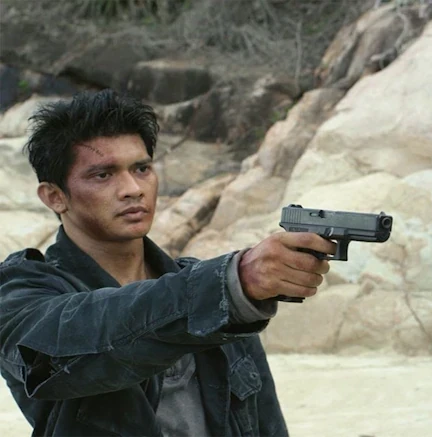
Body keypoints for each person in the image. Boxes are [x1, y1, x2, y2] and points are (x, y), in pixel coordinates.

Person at [0, 89, 337, 436]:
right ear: (55, 197)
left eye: (142, 168)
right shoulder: (21, 294)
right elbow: (76, 340)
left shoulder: (219, 294)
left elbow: (265, 423)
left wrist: (230, 288)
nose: (133, 188)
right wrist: (232, 284)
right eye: (103, 175)